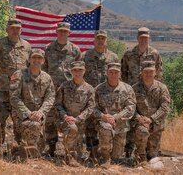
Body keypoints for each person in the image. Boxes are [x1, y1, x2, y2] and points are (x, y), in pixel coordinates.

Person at [0, 18, 31, 156]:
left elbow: (28, 68)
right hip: (1, 91)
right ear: (7, 29)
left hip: (19, 93)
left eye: (18, 28)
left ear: (21, 30)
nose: (15, 30)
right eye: (12, 28)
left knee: (20, 121)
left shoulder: (27, 46)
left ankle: (19, 149)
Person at [121, 27, 163, 157]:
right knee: (131, 121)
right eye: (141, 38)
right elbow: (123, 73)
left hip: (150, 93)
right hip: (132, 93)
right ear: (137, 38)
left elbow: (159, 74)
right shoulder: (128, 54)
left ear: (149, 38)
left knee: (150, 122)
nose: (144, 40)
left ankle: (150, 152)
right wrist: (128, 89)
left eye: (146, 38)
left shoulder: (155, 54)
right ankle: (128, 151)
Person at [43, 22, 82, 156]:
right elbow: (44, 70)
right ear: (56, 32)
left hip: (69, 92)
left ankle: (70, 149)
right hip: (51, 90)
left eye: (65, 31)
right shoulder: (48, 48)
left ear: (69, 33)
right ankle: (51, 147)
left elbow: (79, 71)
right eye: (60, 31)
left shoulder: (75, 50)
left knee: (69, 118)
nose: (62, 33)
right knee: (50, 119)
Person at [9, 49, 56, 159]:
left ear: (43, 61)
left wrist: (41, 112)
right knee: (33, 126)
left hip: (39, 115)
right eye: (34, 57)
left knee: (39, 148)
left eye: (39, 58)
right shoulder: (18, 75)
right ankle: (23, 149)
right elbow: (14, 97)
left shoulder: (47, 78)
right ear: (29, 59)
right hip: (21, 114)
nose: (36, 60)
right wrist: (28, 113)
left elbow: (50, 98)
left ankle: (18, 148)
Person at [82, 29, 119, 160]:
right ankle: (92, 152)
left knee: (107, 122)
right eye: (98, 38)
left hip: (108, 96)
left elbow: (119, 77)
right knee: (90, 124)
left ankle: (107, 151)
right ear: (94, 40)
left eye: (103, 38)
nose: (100, 40)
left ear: (106, 40)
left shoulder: (113, 57)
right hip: (90, 95)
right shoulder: (85, 56)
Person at [93, 62, 136, 167]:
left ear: (120, 74)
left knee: (117, 156)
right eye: (111, 72)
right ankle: (105, 158)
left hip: (121, 124)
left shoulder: (127, 89)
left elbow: (130, 107)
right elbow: (92, 107)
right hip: (104, 123)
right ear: (106, 73)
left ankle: (110, 156)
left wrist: (115, 117)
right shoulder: (98, 89)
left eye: (116, 72)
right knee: (106, 130)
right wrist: (103, 116)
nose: (113, 74)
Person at [55, 61, 95, 166]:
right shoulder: (64, 86)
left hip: (81, 122)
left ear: (84, 71)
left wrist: (78, 119)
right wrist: (66, 116)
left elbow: (91, 107)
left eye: (80, 70)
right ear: (71, 72)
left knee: (79, 153)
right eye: (75, 70)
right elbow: (58, 104)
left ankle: (74, 154)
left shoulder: (89, 89)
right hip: (66, 121)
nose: (77, 72)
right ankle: (69, 156)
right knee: (72, 129)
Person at [132, 61, 171, 163]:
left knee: (152, 156)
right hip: (140, 124)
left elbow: (165, 107)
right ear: (141, 72)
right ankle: (141, 155)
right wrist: (139, 118)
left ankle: (148, 155)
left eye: (151, 71)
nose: (148, 74)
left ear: (155, 72)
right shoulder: (134, 88)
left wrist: (151, 119)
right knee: (142, 133)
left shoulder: (162, 88)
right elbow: (131, 107)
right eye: (146, 71)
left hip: (156, 125)